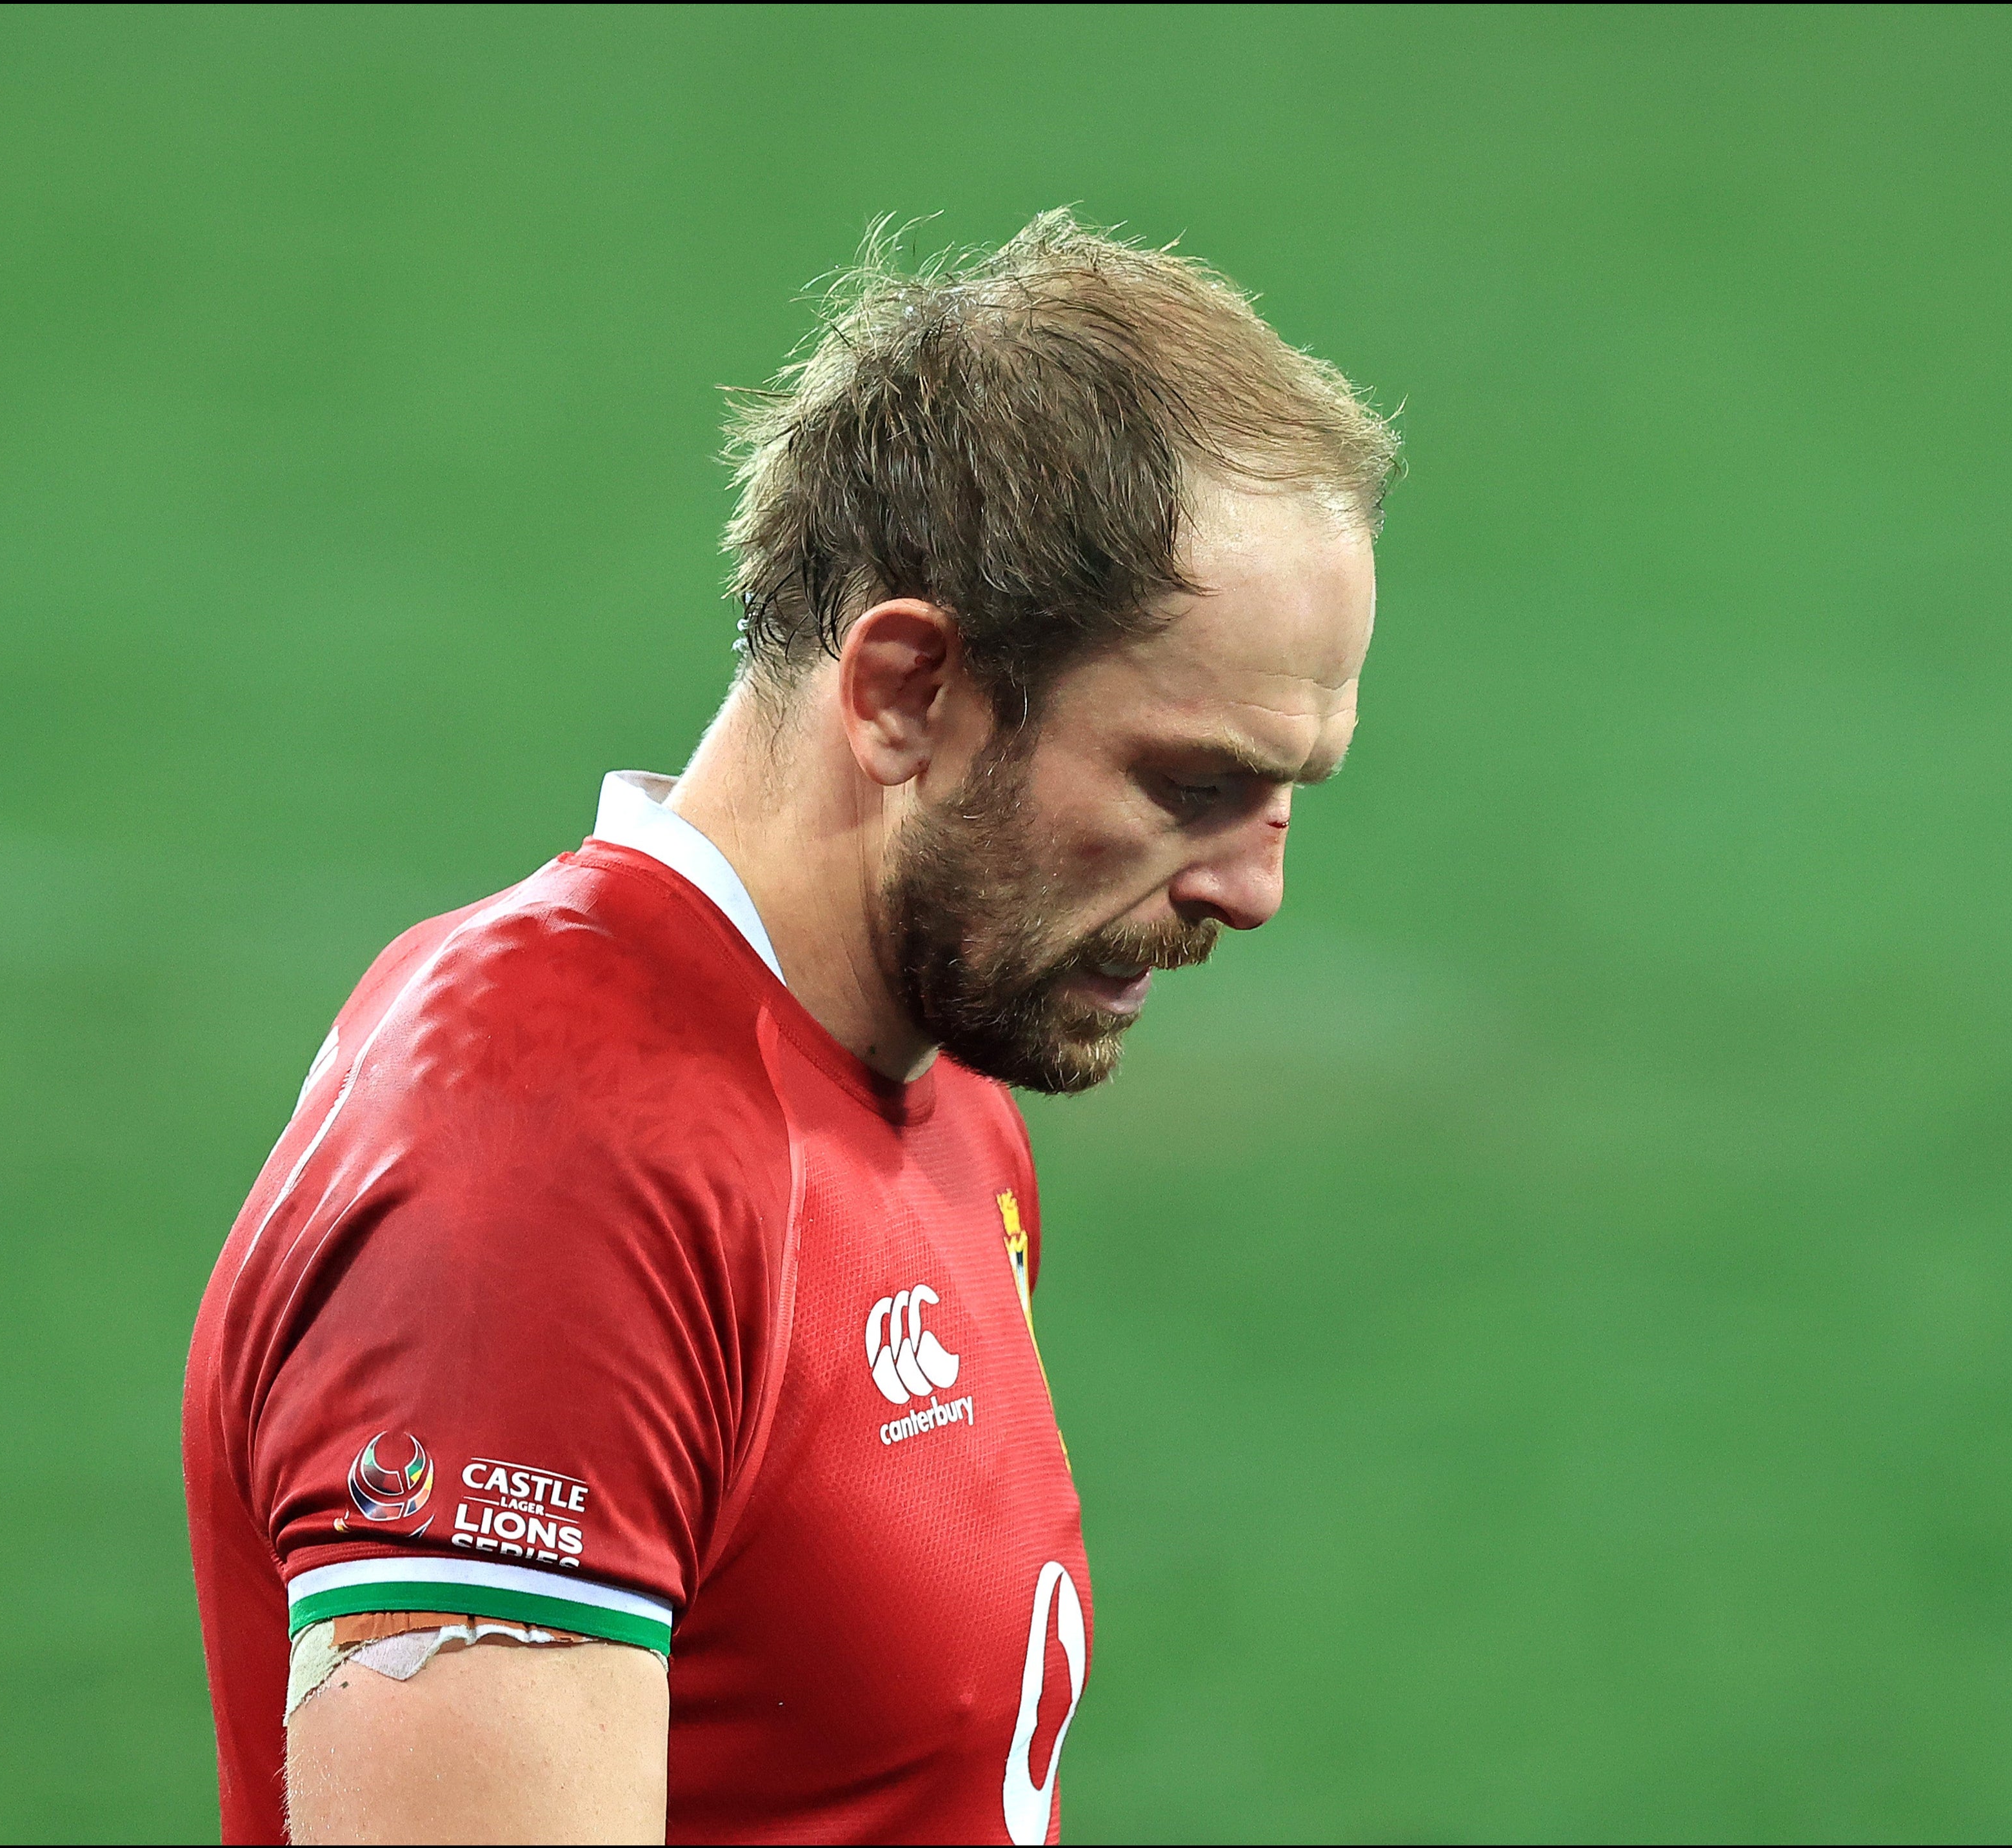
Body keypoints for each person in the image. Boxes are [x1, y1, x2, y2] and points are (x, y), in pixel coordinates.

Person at [182, 208, 1397, 1845]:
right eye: (1191, 786)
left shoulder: (935, 1093)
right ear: (901, 686)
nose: (1250, 890)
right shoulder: (553, 1164)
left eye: (1284, 798)